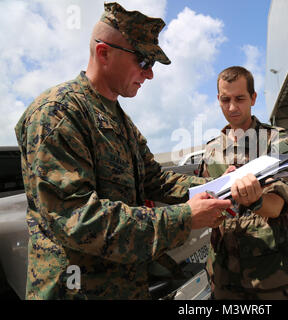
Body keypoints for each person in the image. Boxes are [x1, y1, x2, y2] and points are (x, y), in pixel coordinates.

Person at [14, 2, 232, 300]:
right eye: (144, 62)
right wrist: (184, 217)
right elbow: (77, 219)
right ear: (103, 53)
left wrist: (221, 185)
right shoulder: (58, 113)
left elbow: (156, 180)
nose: (150, 75)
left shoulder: (120, 121)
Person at [198, 66, 288, 300]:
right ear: (218, 99)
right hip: (223, 277)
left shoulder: (276, 140)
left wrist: (255, 200)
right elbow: (209, 210)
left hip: (270, 277)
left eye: (240, 98)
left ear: (253, 98)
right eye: (225, 99)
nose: (232, 107)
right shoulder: (211, 150)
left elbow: (276, 206)